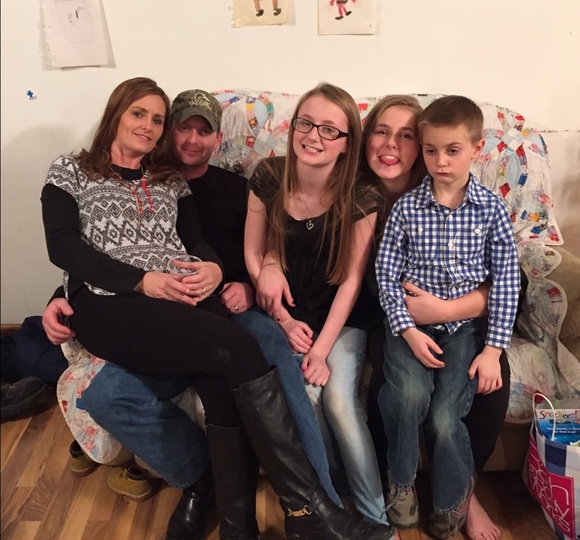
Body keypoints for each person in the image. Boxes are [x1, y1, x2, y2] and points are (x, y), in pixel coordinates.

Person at [41, 77, 396, 540]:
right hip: (142, 306)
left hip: (203, 304)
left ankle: (257, 518)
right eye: (145, 116)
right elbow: (66, 246)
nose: (160, 130)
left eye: (159, 119)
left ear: (216, 137)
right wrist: (72, 295)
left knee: (246, 362)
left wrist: (222, 272)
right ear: (118, 114)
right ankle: (288, 507)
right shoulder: (73, 170)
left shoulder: (190, 184)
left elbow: (209, 245)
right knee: (213, 360)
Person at [360, 94, 514, 540]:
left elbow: (507, 281)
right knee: (407, 396)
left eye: (453, 150)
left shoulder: (491, 210)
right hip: (408, 328)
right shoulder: (407, 208)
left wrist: (493, 349)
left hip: (465, 331)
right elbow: (386, 274)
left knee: (447, 416)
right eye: (431, 151)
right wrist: (406, 329)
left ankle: (453, 501)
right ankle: (401, 480)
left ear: (476, 149)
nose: (441, 161)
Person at [243, 82, 388, 525]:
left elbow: (352, 281)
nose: (313, 136)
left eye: (329, 129)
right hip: (291, 313)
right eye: (306, 123)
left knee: (340, 401)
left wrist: (322, 350)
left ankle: (376, 519)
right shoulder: (269, 176)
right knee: (306, 396)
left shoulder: (363, 196)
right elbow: (253, 254)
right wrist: (283, 320)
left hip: (343, 319)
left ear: (347, 143)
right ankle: (335, 502)